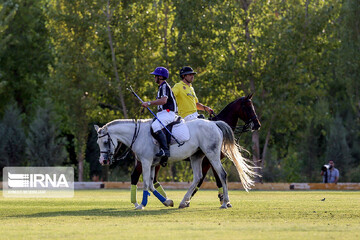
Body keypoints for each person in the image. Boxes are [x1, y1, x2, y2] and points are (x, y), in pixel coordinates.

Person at [141, 66, 177, 167]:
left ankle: (165, 151)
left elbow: (164, 101)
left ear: (160, 77)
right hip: (163, 113)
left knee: (155, 126)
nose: (154, 78)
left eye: (155, 76)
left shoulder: (164, 86)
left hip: (168, 113)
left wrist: (148, 103)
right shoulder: (161, 87)